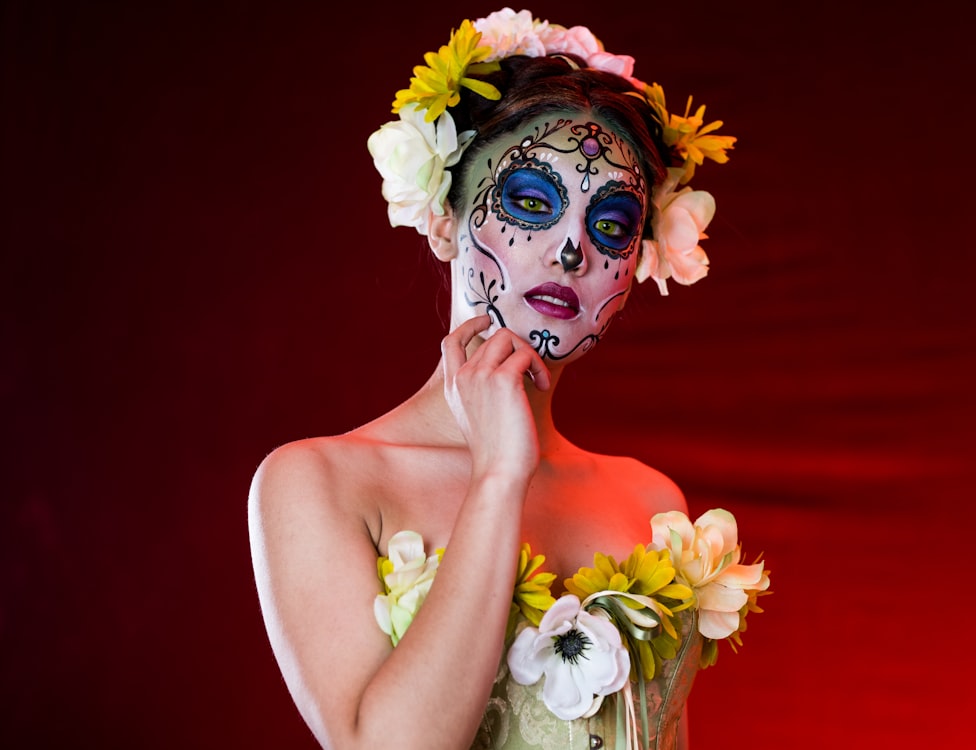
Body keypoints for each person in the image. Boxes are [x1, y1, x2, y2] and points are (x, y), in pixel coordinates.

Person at [248, 8, 770, 750]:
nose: (571, 250)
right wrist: (499, 476)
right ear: (443, 221)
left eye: (613, 225)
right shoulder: (317, 484)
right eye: (532, 201)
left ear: (637, 263)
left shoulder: (653, 502)